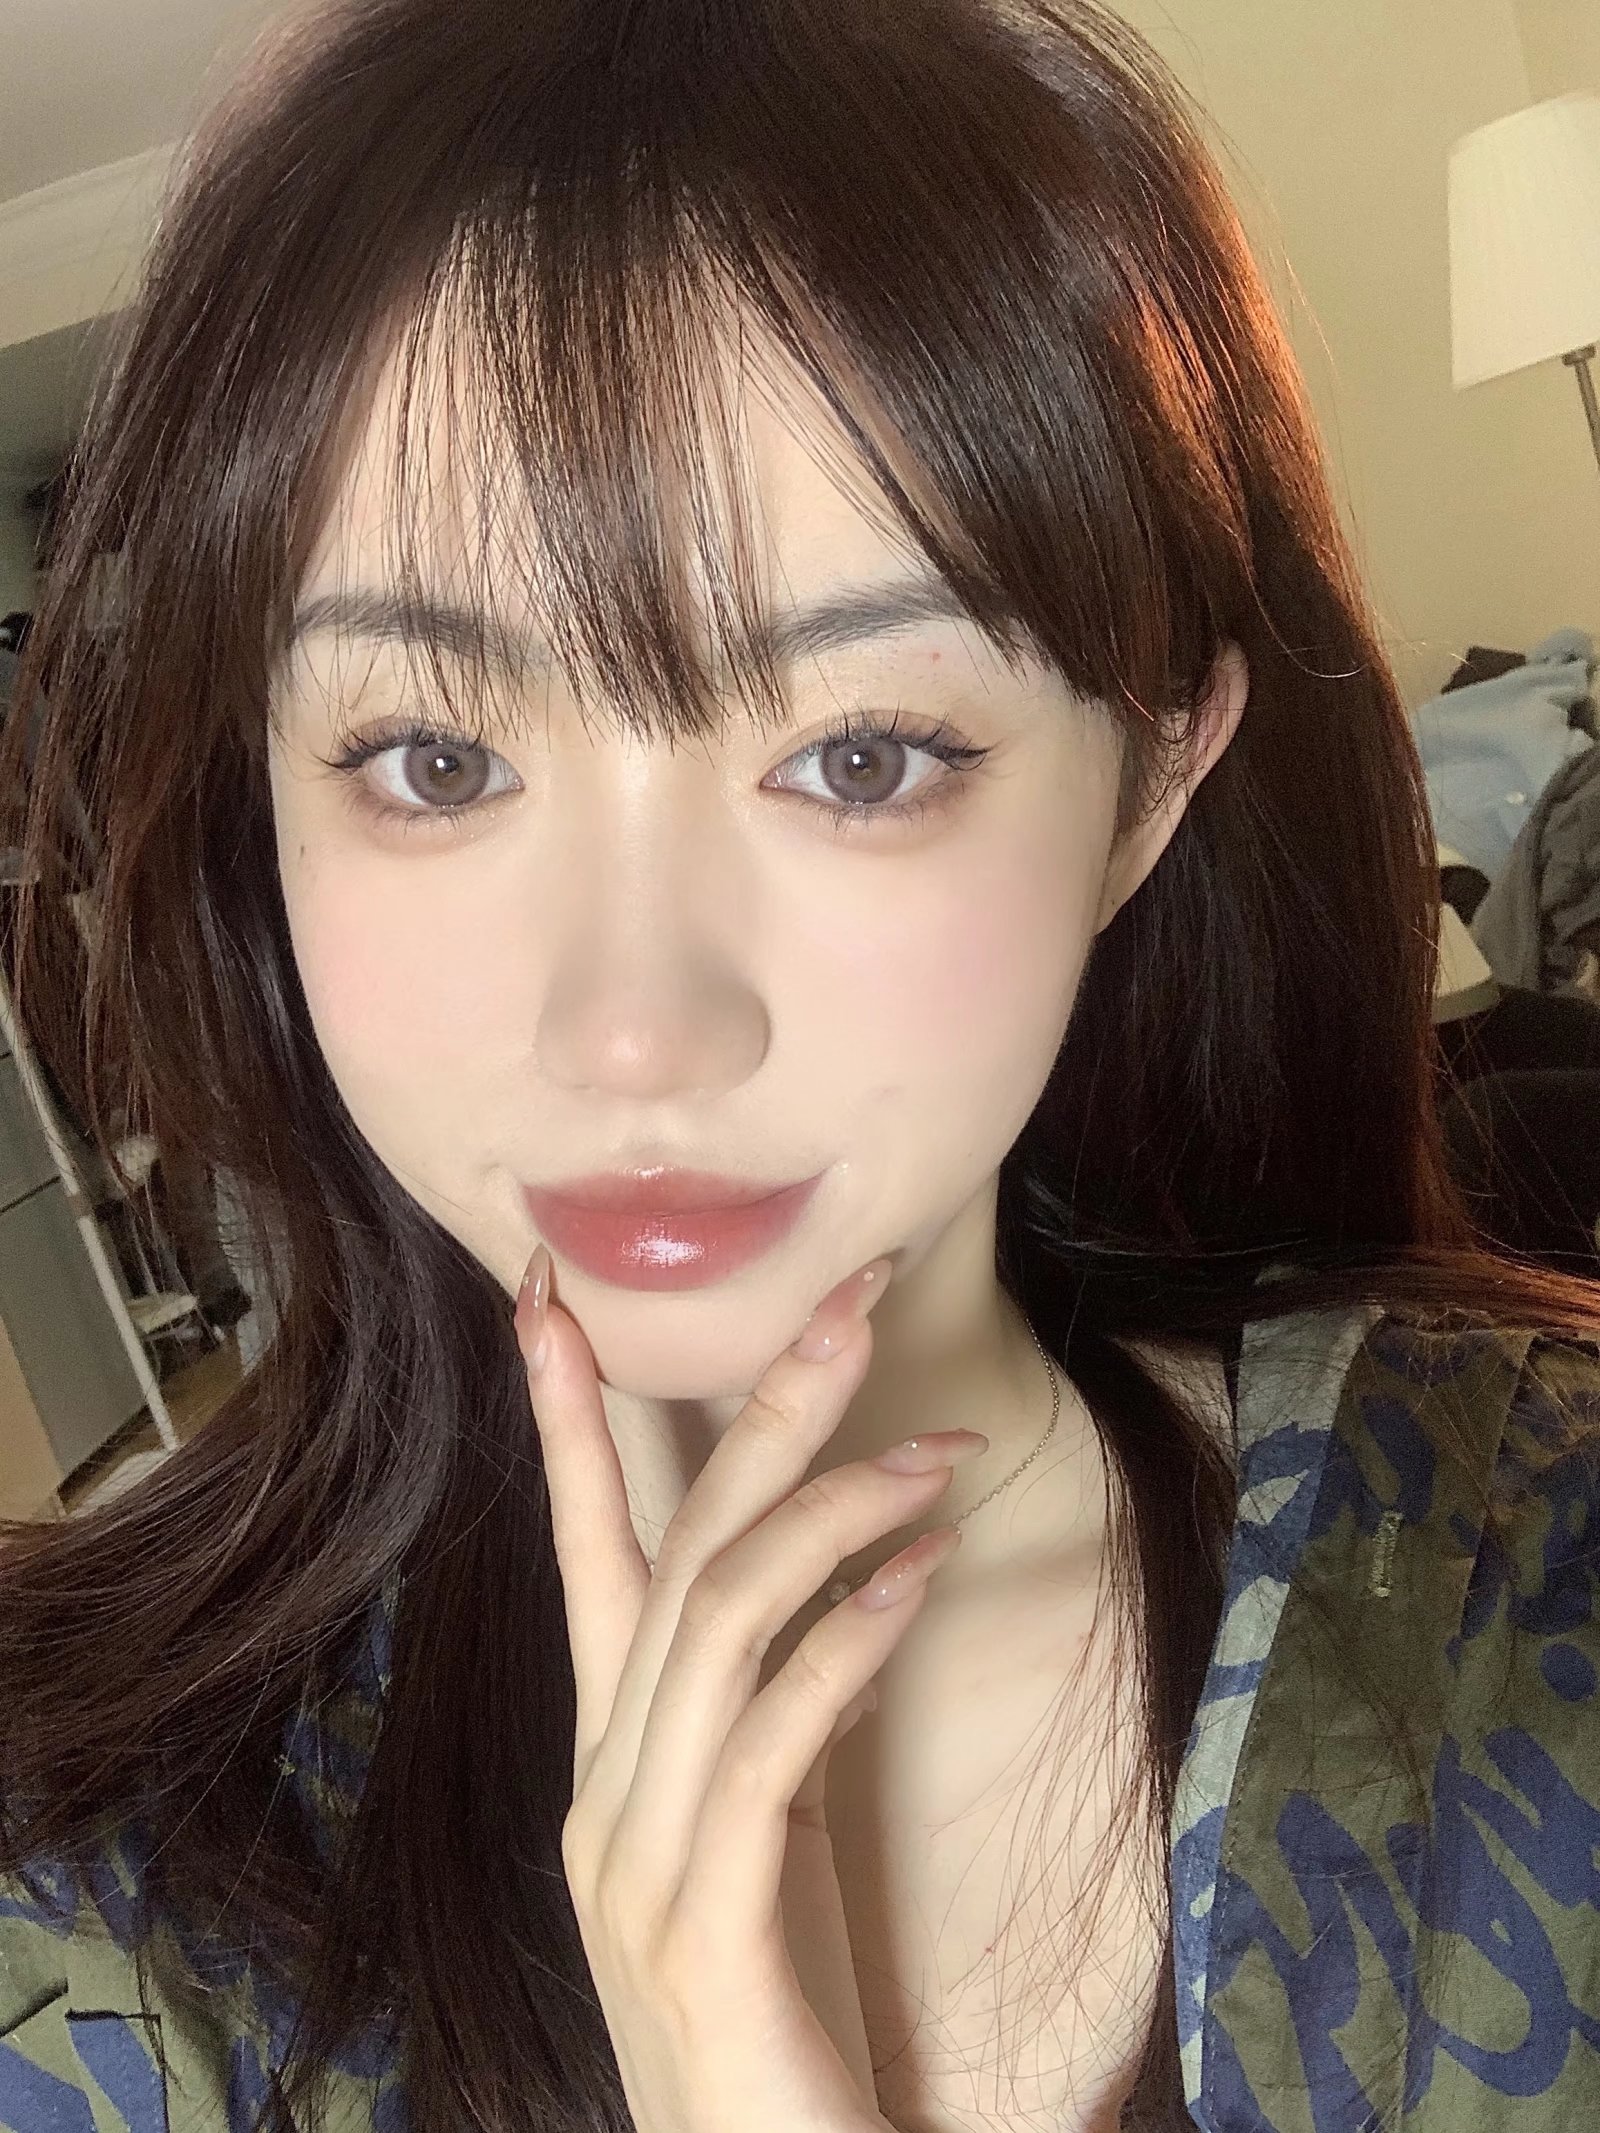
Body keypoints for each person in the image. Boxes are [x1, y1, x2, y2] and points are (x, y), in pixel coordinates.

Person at [1, 1, 1597, 2129]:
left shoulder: (1537, 1595)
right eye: (434, 757)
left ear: (1148, 781)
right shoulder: (83, 1879)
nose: (632, 1027)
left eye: (859, 757)